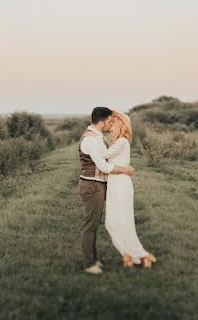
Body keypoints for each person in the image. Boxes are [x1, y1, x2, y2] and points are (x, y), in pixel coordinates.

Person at [79, 106, 134, 275]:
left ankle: (93, 259)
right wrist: (125, 170)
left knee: (94, 223)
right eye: (110, 120)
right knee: (91, 225)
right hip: (92, 185)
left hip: (98, 184)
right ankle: (89, 264)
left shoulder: (97, 136)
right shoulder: (90, 139)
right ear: (102, 122)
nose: (112, 123)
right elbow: (102, 165)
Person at [102, 110, 157, 269]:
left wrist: (95, 136)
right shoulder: (117, 142)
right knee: (112, 222)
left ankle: (142, 255)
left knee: (122, 222)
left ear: (118, 124)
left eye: (112, 122)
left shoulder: (122, 142)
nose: (109, 125)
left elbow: (102, 155)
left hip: (121, 184)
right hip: (115, 184)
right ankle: (128, 255)